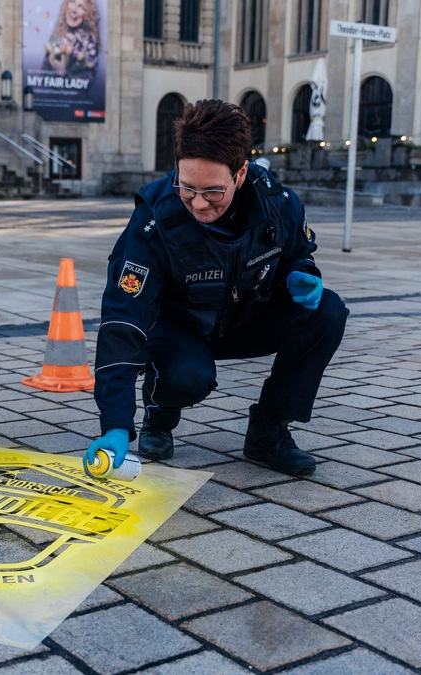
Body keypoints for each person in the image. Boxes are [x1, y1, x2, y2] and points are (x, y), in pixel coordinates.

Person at [85, 99, 348, 477]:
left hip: (243, 319)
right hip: (178, 329)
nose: (196, 202)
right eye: (186, 186)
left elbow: (298, 253)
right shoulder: (154, 219)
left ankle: (269, 431)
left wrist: (301, 273)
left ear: (240, 174)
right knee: (186, 376)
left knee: (327, 311)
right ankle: (159, 412)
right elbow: (122, 321)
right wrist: (114, 424)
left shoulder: (278, 203)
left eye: (212, 192)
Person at [42, 0, 100, 79]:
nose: (74, 9)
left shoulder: (90, 44)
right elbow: (43, 74)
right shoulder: (58, 33)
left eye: (81, 6)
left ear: (87, 14)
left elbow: (85, 86)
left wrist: (62, 73)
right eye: (72, 1)